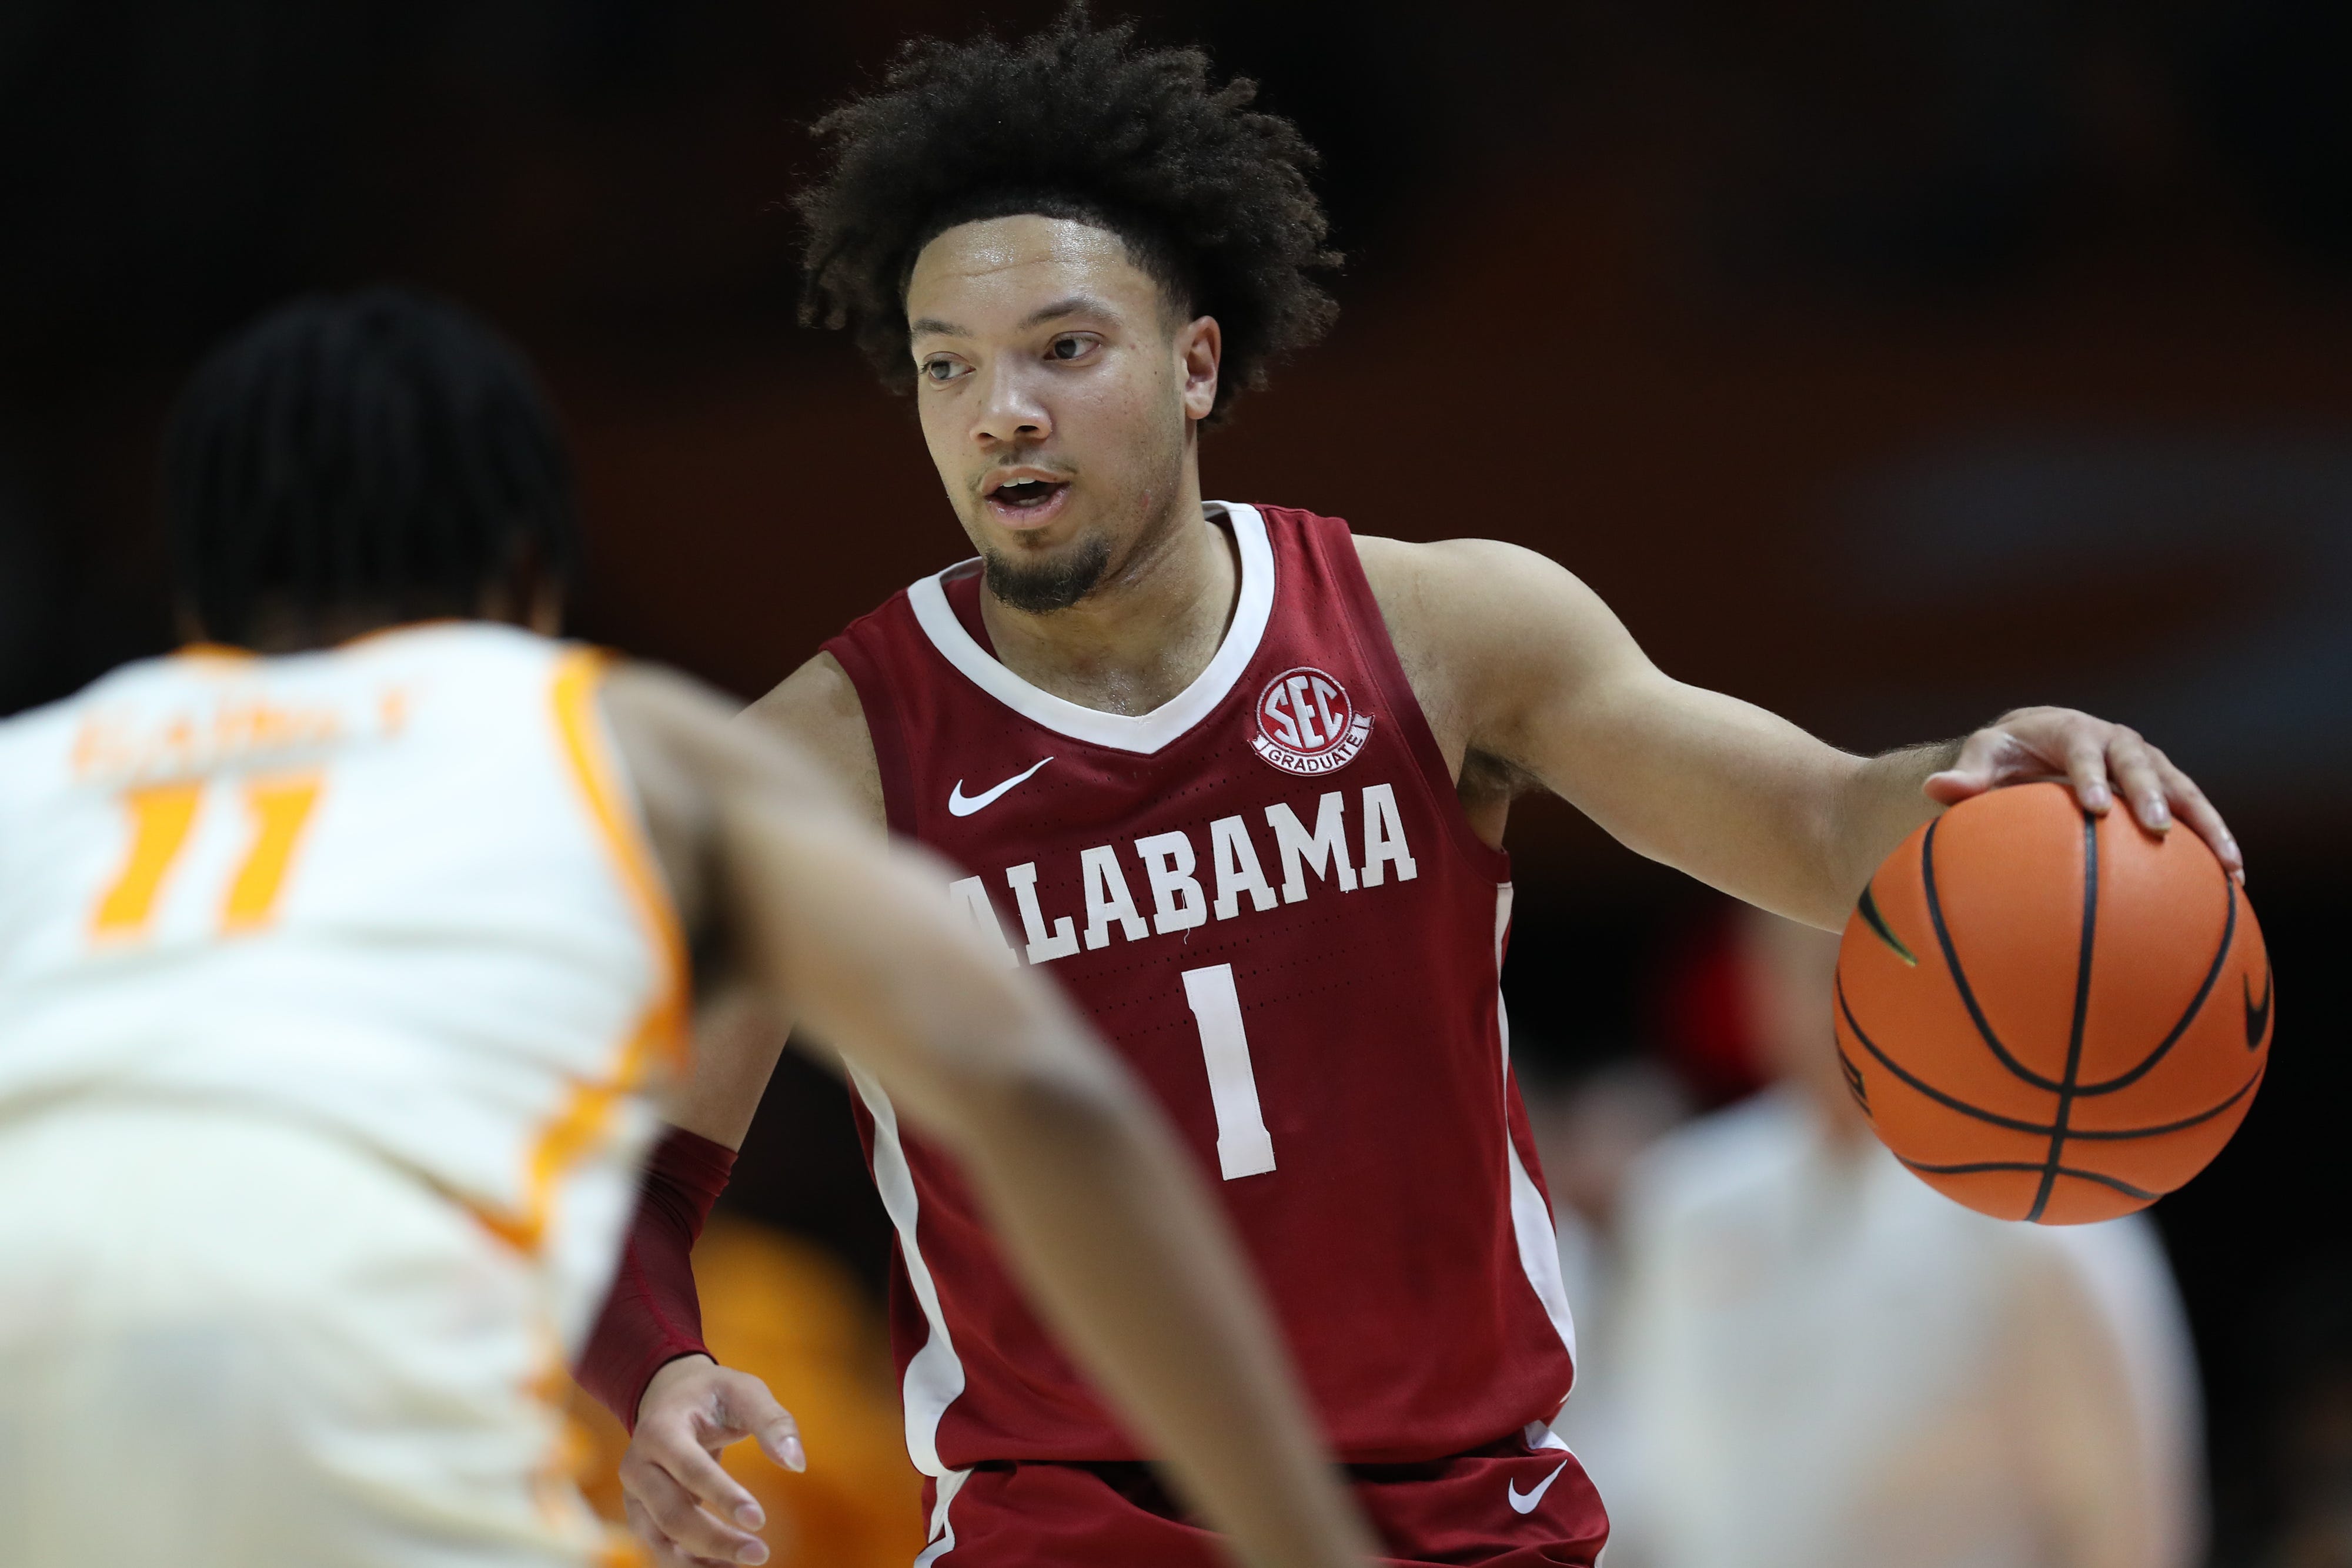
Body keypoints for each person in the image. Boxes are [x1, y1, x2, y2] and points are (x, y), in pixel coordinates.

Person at [594, 14, 2244, 1567]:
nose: (1001, 412)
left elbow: (1818, 824)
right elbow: (629, 1159)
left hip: (1469, 1523)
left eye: (1064, 348)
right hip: (1071, 1536)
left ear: (1194, 361)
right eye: (945, 367)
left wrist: (1978, 777)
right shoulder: (822, 757)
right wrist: (656, 1363)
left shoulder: (1451, 635)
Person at [0, 290, 1379, 1568]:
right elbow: (1029, 1084)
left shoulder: (31, 770)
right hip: (340, 1365)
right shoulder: (611, 733)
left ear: (194, 603)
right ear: (532, 582)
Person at [1567, 908, 2206, 1568]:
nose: (1827, 1005)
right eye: (1802, 969)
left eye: (1862, 967)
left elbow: (2130, 1521)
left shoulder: (2041, 1217)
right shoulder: (1681, 1195)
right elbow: (1636, 1456)